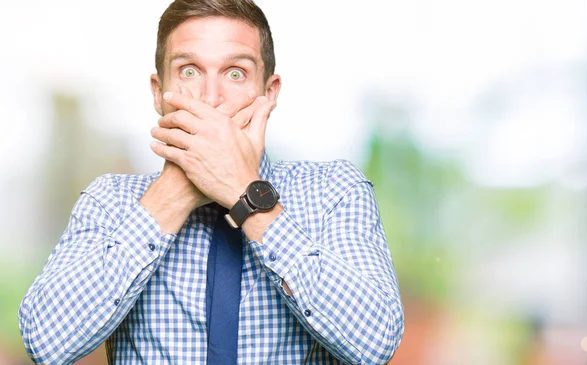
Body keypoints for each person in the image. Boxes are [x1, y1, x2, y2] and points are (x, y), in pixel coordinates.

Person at [18, 0, 404, 364]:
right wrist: (174, 193)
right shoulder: (110, 202)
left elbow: (374, 343)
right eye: (189, 71)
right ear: (158, 93)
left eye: (236, 73)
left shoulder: (335, 191)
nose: (211, 98)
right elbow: (47, 343)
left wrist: (245, 193)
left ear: (268, 94)